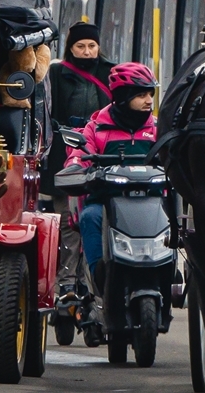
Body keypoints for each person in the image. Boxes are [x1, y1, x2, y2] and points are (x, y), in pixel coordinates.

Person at [64, 63, 158, 280]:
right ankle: (99, 276)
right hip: (105, 202)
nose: (149, 101)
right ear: (123, 97)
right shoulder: (95, 127)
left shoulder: (157, 128)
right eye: (142, 95)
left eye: (151, 94)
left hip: (152, 203)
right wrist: (75, 168)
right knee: (90, 216)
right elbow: (78, 155)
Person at [46, 22, 115, 296]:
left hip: (102, 155)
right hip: (67, 156)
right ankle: (65, 283)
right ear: (70, 48)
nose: (87, 52)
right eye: (81, 46)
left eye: (92, 46)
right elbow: (48, 111)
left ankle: (93, 283)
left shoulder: (110, 73)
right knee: (67, 222)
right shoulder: (56, 73)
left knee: (97, 220)